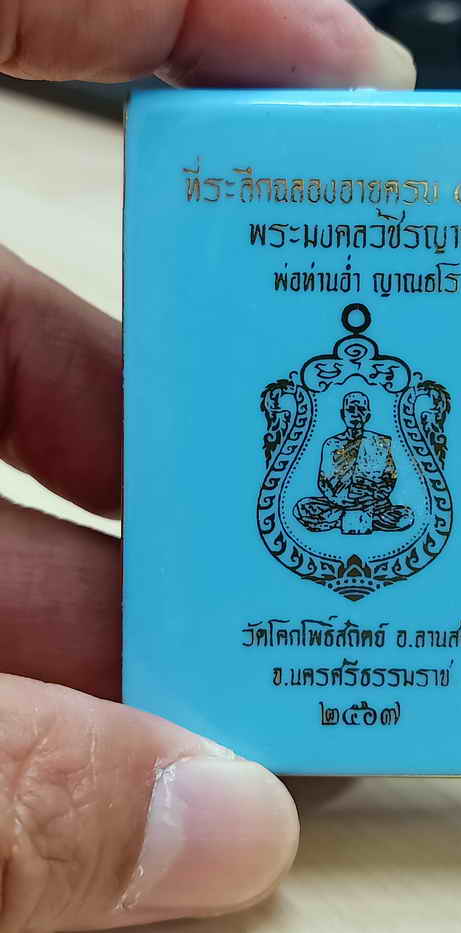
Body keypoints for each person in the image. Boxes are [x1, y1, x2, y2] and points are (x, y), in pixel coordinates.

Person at [0, 3, 415, 930]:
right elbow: (329, 482)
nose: (355, 419)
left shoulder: (379, 437)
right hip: (327, 523)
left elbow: (381, 485)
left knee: (365, 506)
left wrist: (364, 485)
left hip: (365, 520)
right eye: (349, 413)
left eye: (360, 412)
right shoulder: (332, 433)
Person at [295, 391, 414, 534]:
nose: (356, 414)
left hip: (374, 505)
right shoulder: (331, 444)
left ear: (367, 416)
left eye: (361, 410)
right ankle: (359, 519)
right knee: (302, 507)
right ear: (343, 414)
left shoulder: (380, 442)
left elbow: (389, 479)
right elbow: (323, 482)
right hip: (339, 504)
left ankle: (341, 521)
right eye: (351, 409)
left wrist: (372, 498)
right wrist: (338, 500)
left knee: (406, 516)